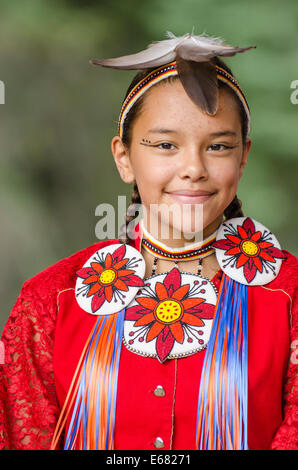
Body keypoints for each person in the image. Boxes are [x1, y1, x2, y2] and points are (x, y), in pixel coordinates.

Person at [0, 31, 297, 451]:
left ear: (242, 157)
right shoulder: (50, 302)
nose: (193, 167)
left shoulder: (291, 298)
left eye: (218, 146)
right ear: (124, 158)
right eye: (164, 145)